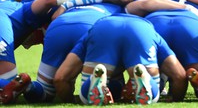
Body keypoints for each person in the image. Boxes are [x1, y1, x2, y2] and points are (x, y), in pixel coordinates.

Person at [54, 14, 188, 105]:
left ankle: (95, 79)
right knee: (153, 97)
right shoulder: (148, 26)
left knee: (87, 98)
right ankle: (144, 77)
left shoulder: (96, 23)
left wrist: (72, 101)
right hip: (141, 29)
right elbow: (180, 76)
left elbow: (60, 78)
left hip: (104, 27)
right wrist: (175, 100)